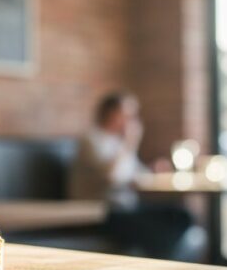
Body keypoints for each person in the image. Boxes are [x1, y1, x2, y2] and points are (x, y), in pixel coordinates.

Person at [70, 91, 201, 260]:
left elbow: (136, 174)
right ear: (110, 113)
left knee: (181, 215)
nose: (132, 120)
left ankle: (160, 256)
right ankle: (161, 259)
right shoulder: (92, 140)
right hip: (104, 212)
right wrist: (129, 142)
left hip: (128, 206)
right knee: (161, 231)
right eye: (127, 114)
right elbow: (112, 176)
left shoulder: (117, 141)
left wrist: (152, 170)